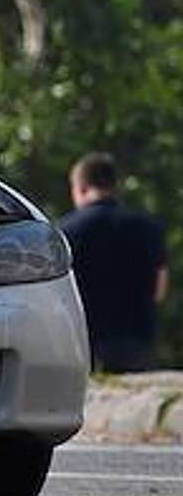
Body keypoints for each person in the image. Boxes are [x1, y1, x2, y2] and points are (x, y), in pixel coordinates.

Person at [60, 152, 169, 373]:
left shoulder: (65, 232)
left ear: (80, 188)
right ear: (114, 186)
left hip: (84, 348)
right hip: (137, 346)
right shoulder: (148, 227)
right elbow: (159, 289)